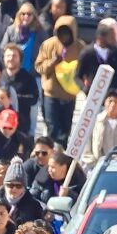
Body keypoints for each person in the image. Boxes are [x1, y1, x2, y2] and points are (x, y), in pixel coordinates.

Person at [34, 16, 83, 146]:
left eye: (67, 33)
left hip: (69, 96)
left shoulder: (80, 47)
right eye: (61, 32)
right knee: (52, 128)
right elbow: (39, 67)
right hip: (51, 95)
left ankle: (62, 156)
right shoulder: (49, 44)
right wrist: (52, 62)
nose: (64, 36)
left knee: (65, 131)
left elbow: (85, 69)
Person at [85, 89, 117, 170]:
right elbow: (87, 146)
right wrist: (94, 164)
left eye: (116, 102)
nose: (112, 105)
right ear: (105, 102)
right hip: (98, 167)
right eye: (110, 101)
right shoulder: (96, 121)